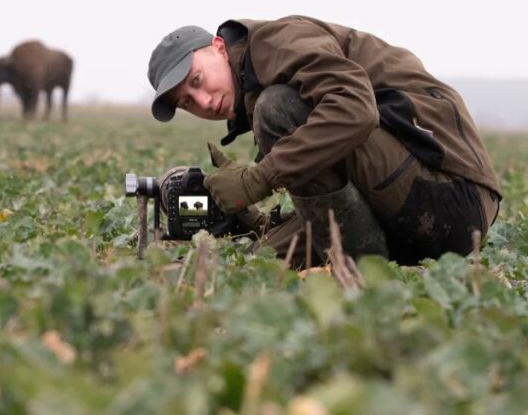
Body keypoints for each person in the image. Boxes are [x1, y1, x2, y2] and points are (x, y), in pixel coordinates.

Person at [147, 15, 502, 266]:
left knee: (278, 109)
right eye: (187, 102)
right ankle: (355, 263)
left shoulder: (277, 42)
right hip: (418, 212)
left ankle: (357, 265)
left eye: (196, 81)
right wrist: (254, 226)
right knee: (260, 260)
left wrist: (258, 179)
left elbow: (356, 110)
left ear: (220, 48)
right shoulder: (253, 81)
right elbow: (335, 197)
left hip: (454, 200)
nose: (204, 101)